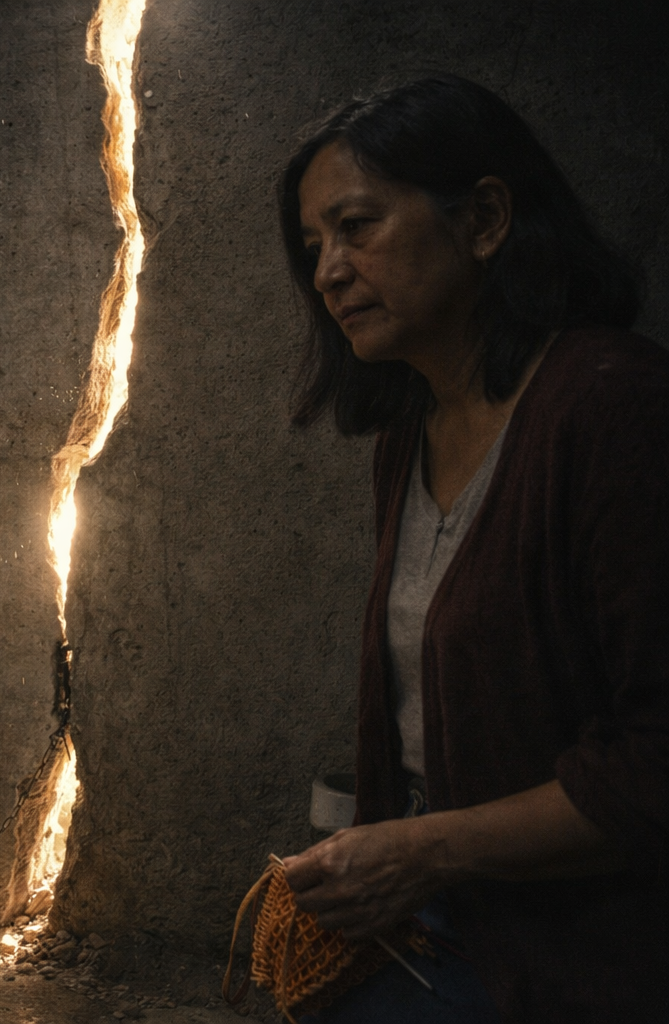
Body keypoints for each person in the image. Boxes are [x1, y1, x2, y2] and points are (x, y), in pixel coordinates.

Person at [275, 75, 668, 1022]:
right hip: (434, 921)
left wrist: (426, 851)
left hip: (578, 948)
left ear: (486, 217)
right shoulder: (411, 433)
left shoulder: (613, 409)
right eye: (313, 246)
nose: (329, 271)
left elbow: (658, 760)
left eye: (357, 227)